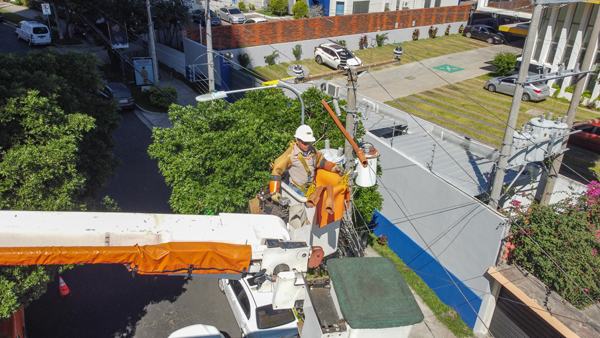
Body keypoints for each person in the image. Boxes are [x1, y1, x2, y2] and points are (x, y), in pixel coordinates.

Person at [270, 125, 344, 202]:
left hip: (311, 189)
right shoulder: (291, 153)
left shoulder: (312, 151)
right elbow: (276, 171)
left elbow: (321, 161)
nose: (307, 145)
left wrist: (334, 167)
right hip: (296, 190)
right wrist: (274, 193)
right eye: (305, 142)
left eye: (309, 142)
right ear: (297, 140)